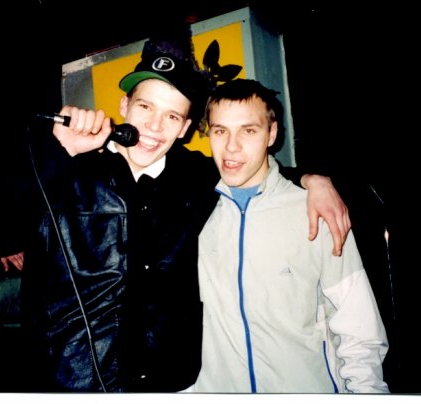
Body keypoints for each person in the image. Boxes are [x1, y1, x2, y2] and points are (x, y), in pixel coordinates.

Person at [21, 24, 351, 392]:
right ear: (124, 107)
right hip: (75, 381)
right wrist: (60, 154)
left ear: (185, 128)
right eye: (145, 107)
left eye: (172, 116)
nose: (154, 126)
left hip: (170, 383)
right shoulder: (68, 170)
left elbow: (251, 168)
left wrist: (311, 179)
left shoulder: (195, 176)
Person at [188, 78, 389, 393]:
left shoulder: (316, 210)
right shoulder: (193, 211)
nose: (231, 147)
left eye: (248, 131)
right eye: (220, 131)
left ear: (272, 134)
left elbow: (358, 327)